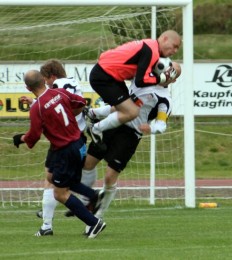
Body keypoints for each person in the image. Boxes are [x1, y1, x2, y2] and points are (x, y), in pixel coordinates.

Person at [67, 61, 181, 224]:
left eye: (173, 72)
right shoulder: (141, 80)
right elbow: (117, 105)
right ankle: (88, 201)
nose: (169, 72)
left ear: (174, 80)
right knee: (86, 164)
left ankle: (98, 216)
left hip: (130, 136)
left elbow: (162, 124)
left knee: (109, 177)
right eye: (168, 67)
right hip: (113, 124)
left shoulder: (165, 100)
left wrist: (151, 128)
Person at [13, 70, 106, 238]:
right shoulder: (59, 92)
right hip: (79, 142)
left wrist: (19, 138)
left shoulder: (37, 108)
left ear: (27, 88)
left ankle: (94, 223)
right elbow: (80, 102)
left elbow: (32, 138)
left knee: (60, 193)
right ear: (43, 80)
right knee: (54, 177)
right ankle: (92, 195)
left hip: (65, 150)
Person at [87, 30, 181, 147]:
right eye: (175, 46)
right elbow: (141, 81)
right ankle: (96, 129)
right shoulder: (152, 51)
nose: (175, 51)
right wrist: (160, 78)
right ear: (165, 39)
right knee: (132, 111)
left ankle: (92, 114)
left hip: (110, 75)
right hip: (105, 76)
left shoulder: (150, 46)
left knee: (125, 106)